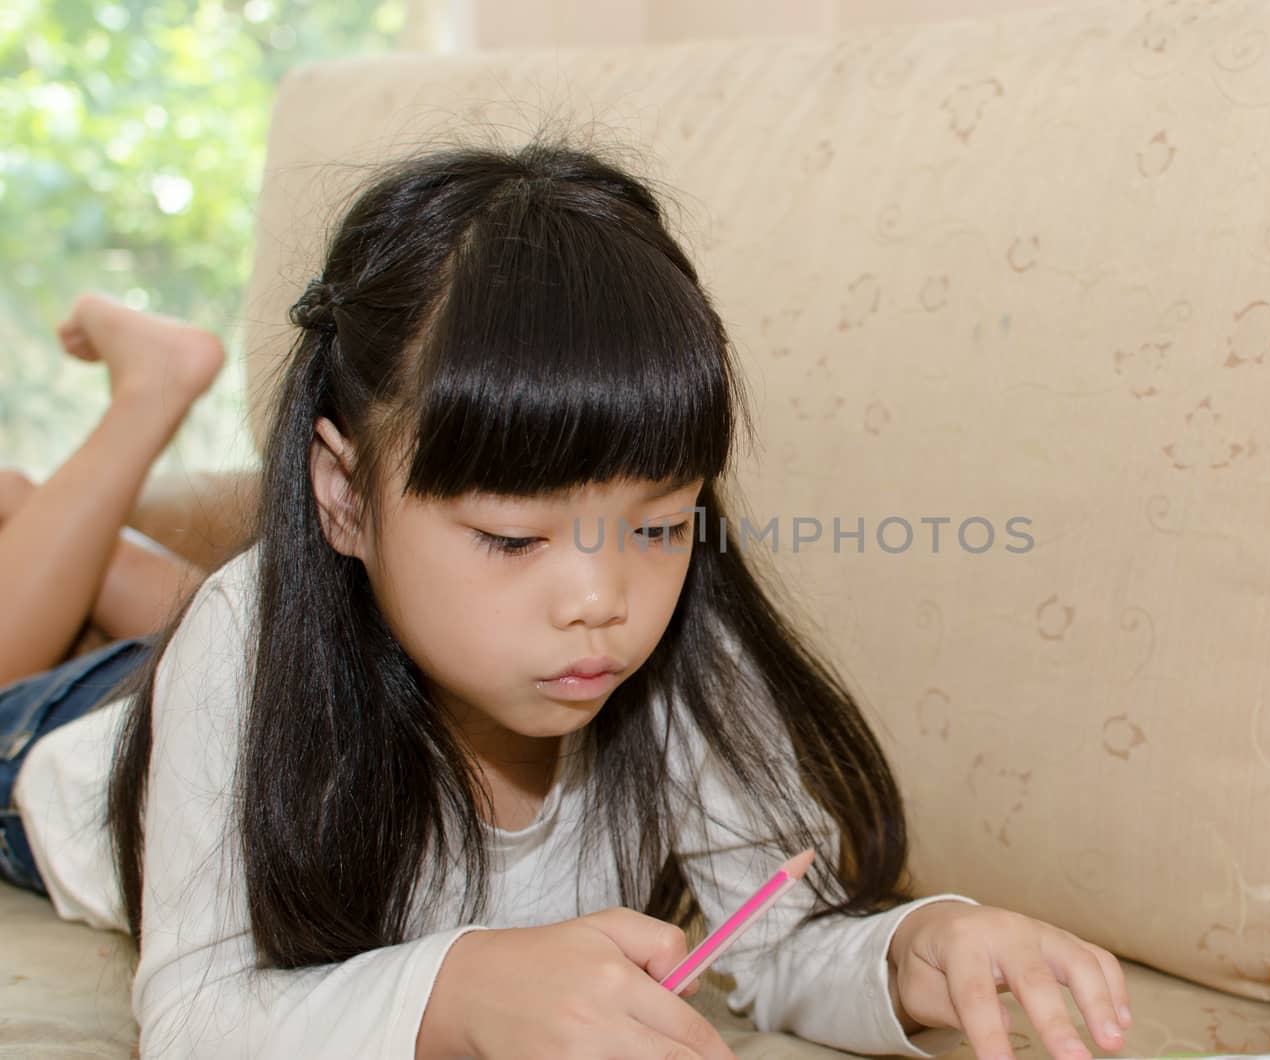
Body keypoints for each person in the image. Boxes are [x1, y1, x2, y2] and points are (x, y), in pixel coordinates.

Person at [0, 139, 1134, 1060]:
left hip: (320, 624)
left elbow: (781, 941)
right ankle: (142, 402)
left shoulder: (674, 640)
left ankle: (102, 556)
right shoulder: (244, 644)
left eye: (657, 524)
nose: (603, 599)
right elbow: (194, 1019)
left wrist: (911, 950)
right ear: (341, 494)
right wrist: (457, 987)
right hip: (66, 755)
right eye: (511, 536)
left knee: (208, 605)